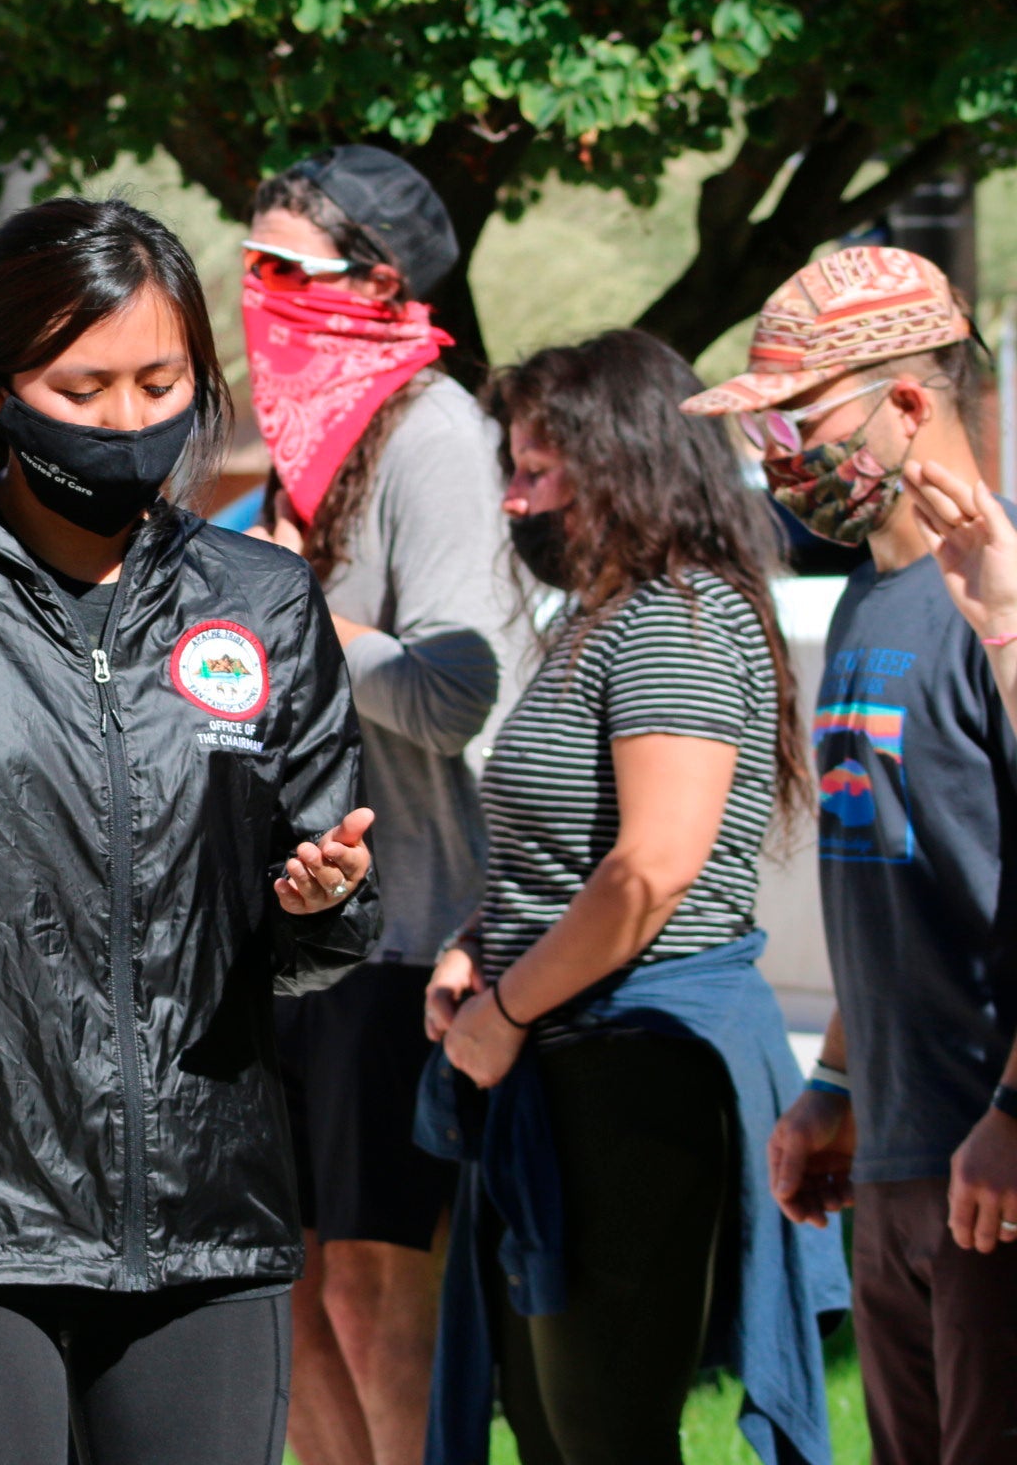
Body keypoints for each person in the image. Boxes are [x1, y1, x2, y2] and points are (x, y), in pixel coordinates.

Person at [0, 199, 379, 1463]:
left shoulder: (261, 600)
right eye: (83, 386)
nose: (129, 418)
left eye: (162, 381)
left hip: (211, 1220)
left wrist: (323, 901)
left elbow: (322, 930)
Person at [420, 329, 846, 1465]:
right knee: (556, 1429)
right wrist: (479, 949)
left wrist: (503, 1019)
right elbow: (568, 851)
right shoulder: (600, 619)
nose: (513, 502)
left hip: (641, 1060)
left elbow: (650, 869)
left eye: (535, 471)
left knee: (607, 1433)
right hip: (566, 1058)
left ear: (623, 463)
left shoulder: (679, 621)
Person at [684, 247, 1017, 1464]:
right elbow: (916, 885)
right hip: (900, 1151)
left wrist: (1015, 1108)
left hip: (995, 1159)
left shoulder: (998, 603)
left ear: (911, 404)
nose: (779, 451)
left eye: (801, 418)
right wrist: (836, 1086)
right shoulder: (874, 605)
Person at [237, 146, 527, 1465]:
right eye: (244, 266)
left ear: (381, 279)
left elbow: (457, 691)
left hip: (404, 931)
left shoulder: (436, 435)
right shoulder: (298, 438)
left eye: (280, 269)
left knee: (371, 1298)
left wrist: (285, 615)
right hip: (277, 937)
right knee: (272, 1296)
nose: (253, 295)